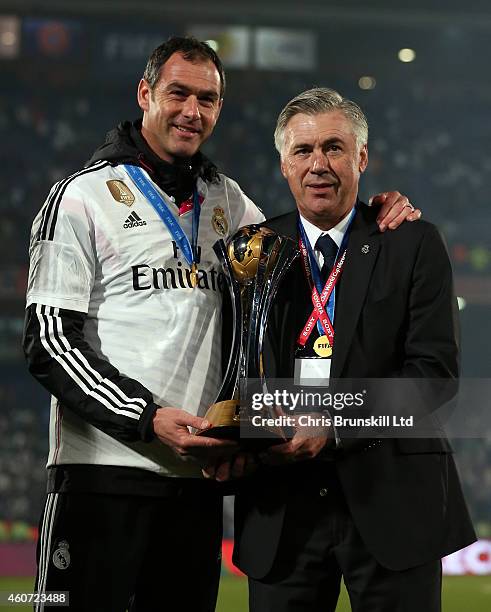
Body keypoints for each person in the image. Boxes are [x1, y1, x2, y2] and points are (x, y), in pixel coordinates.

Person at [23, 37, 420, 612]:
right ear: (145, 94)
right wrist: (147, 418)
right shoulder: (82, 198)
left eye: (207, 99)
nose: (192, 111)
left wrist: (375, 212)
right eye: (178, 93)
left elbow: (310, 262)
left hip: (198, 482)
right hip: (102, 477)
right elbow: (49, 342)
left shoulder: (231, 205)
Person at [230, 88, 476, 612]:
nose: (318, 164)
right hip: (283, 509)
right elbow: (234, 370)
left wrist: (334, 424)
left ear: (362, 157)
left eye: (335, 147)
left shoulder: (412, 243)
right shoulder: (254, 251)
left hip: (392, 501)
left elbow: (434, 375)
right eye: (303, 151)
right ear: (283, 164)